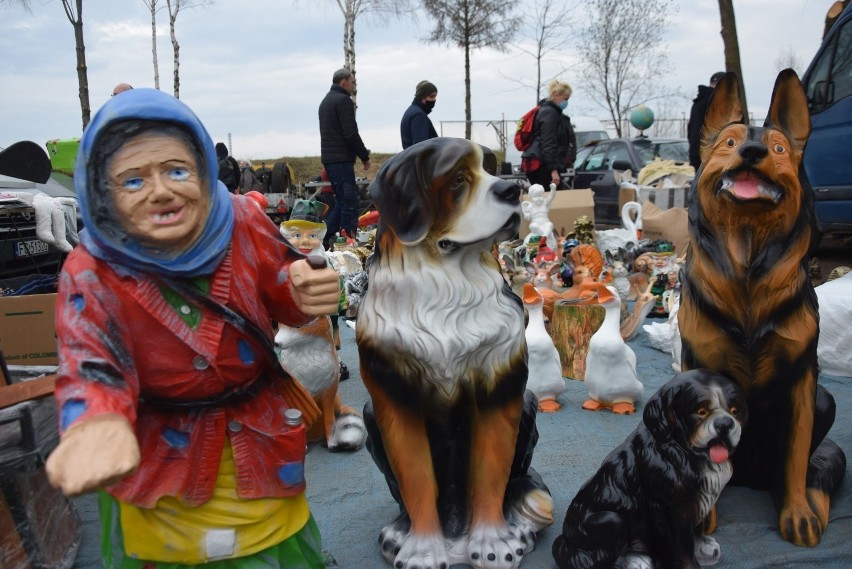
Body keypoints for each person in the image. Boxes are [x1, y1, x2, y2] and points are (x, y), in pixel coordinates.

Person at [43, 88, 341, 568]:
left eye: (176, 170)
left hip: (256, 437)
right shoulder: (90, 269)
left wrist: (306, 290)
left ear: (203, 169)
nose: (161, 190)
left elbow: (285, 284)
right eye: (133, 180)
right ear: (102, 192)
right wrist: (96, 421)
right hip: (160, 454)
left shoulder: (242, 220)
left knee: (274, 549)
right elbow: (89, 359)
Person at [318, 68, 371, 249]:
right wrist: (364, 155)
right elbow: (350, 133)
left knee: (341, 201)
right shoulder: (343, 101)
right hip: (341, 159)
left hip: (330, 159)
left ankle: (324, 237)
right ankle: (348, 238)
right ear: (344, 82)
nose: (354, 86)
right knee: (349, 201)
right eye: (353, 82)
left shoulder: (326, 101)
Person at [521, 79, 577, 190]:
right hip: (542, 166)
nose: (566, 102)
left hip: (539, 164)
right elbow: (548, 143)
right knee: (550, 199)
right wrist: (553, 170)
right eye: (565, 99)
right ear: (556, 95)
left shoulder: (548, 112)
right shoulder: (550, 114)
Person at [688, 71, 725, 171]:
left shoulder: (698, 103)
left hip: (698, 155)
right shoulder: (717, 102)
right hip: (713, 158)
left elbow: (691, 129)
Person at [400, 80, 439, 149]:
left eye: (435, 97)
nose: (434, 100)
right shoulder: (418, 115)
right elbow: (420, 147)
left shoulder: (412, 111)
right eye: (431, 96)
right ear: (422, 96)